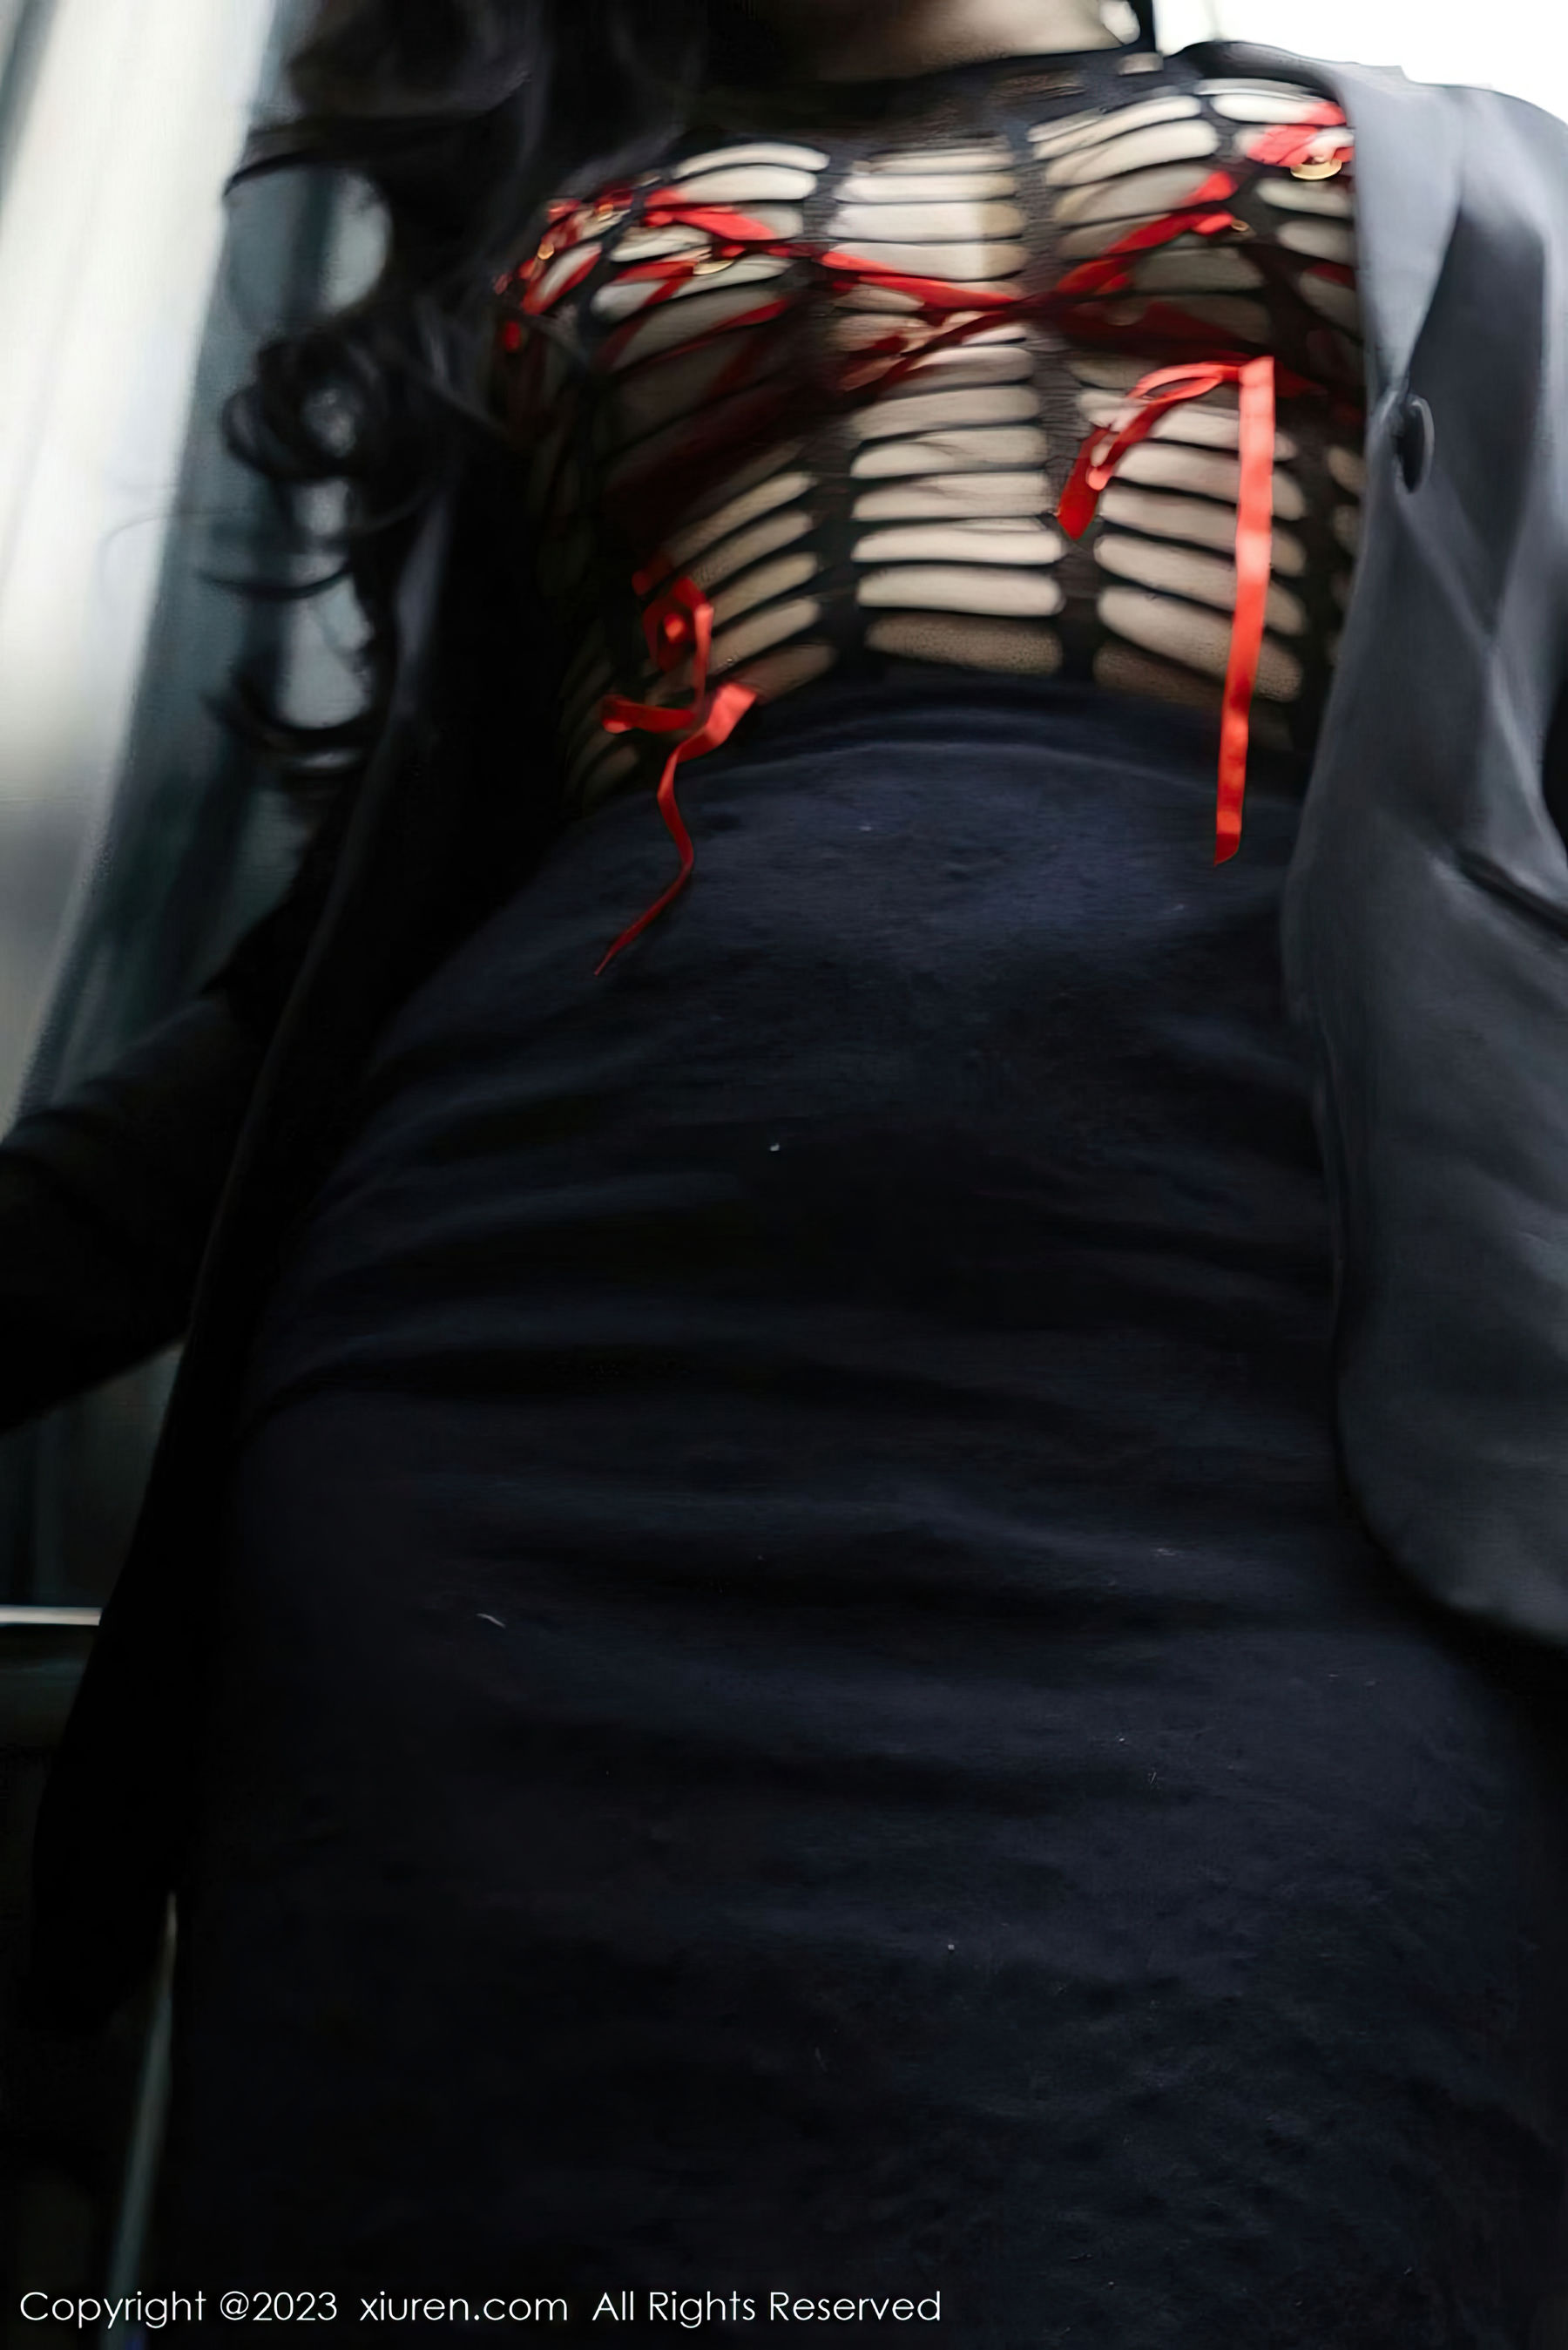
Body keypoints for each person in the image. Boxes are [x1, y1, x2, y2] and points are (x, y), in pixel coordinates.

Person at [8, 0, 1568, 2336]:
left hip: (1296, 1387)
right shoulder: (548, 219)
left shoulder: (1481, 173)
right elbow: (323, 984)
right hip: (534, 1371)